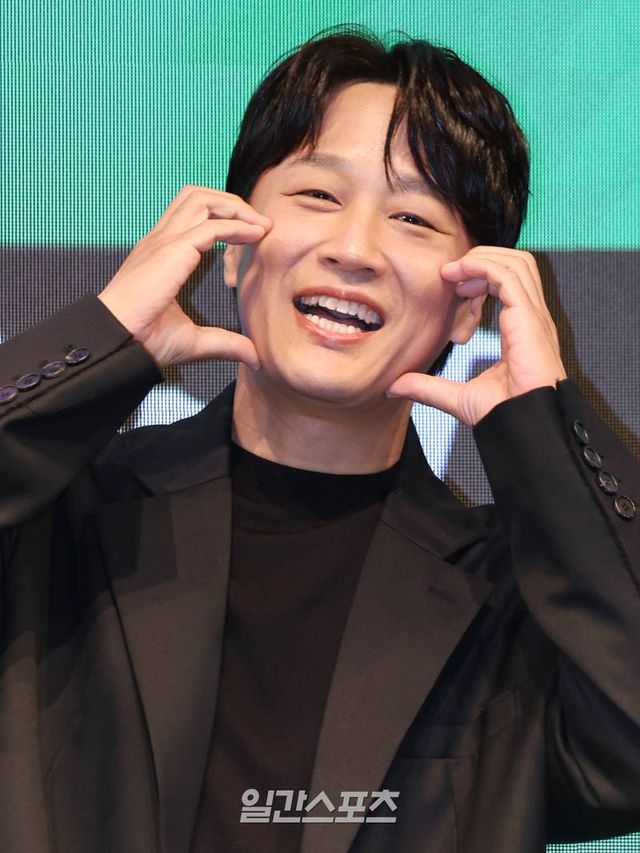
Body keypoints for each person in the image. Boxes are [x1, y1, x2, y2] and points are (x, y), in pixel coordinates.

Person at [1, 27, 639, 853]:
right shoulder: (59, 525)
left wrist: (543, 428)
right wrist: (104, 338)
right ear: (233, 248)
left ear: (468, 303)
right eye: (318, 195)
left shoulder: (509, 605)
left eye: (412, 217)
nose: (354, 249)